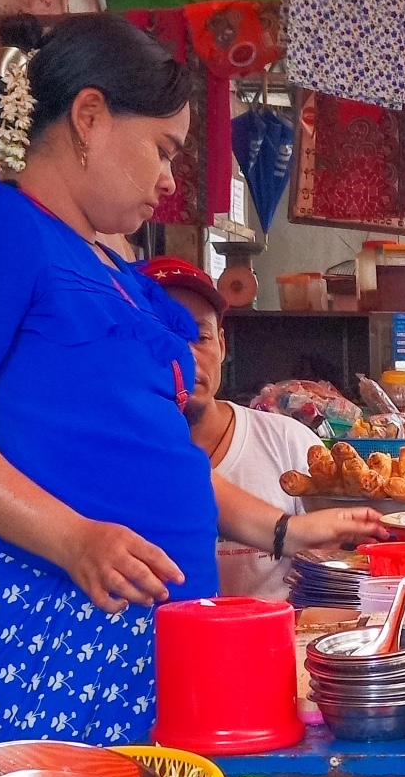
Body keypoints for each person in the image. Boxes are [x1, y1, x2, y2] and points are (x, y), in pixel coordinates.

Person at [0, 14, 381, 764]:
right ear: (90, 118)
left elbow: (146, 455)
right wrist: (71, 538)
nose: (170, 180)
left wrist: (284, 531)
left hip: (149, 633)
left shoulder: (107, 271)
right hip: (43, 628)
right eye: (162, 150)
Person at [140, 258, 328, 602]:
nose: (184, 356)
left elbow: (334, 567)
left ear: (222, 346)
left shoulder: (289, 444)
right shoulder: (111, 462)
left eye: (199, 337)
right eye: (160, 335)